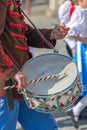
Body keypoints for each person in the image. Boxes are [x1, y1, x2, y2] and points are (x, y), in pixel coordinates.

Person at [0, 0, 69, 130]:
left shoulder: (12, 2)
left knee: (46, 127)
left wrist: (51, 34)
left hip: (24, 85)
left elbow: (22, 32)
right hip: (5, 87)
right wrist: (12, 71)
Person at [65, 0, 87, 129]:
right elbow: (70, 32)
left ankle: (76, 111)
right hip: (84, 51)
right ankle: (76, 110)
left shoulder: (84, 12)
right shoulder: (79, 12)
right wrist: (84, 40)